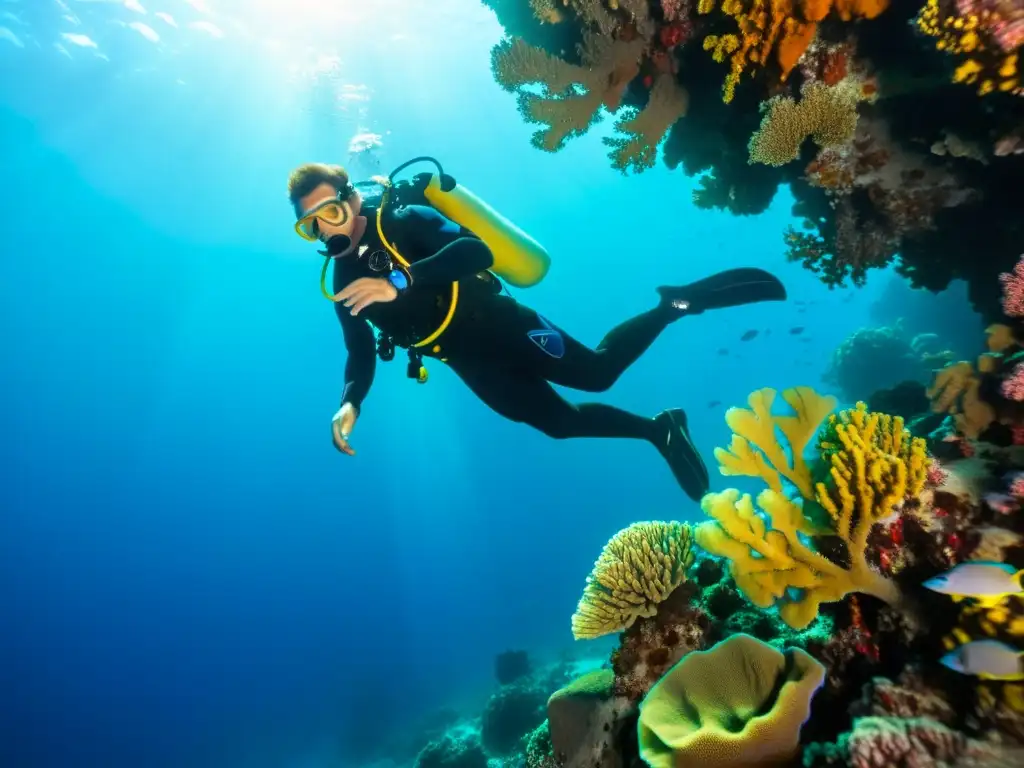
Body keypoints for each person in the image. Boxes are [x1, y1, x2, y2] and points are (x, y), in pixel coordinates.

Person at [286, 162, 787, 502]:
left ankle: (675, 304)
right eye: (312, 225)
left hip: (501, 322)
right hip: (465, 359)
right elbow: (359, 352)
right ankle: (661, 429)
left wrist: (399, 280)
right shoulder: (343, 282)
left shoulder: (403, 218)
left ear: (352, 200)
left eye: (331, 212)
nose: (329, 231)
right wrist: (352, 401)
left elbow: (475, 252)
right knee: (560, 423)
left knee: (597, 374)